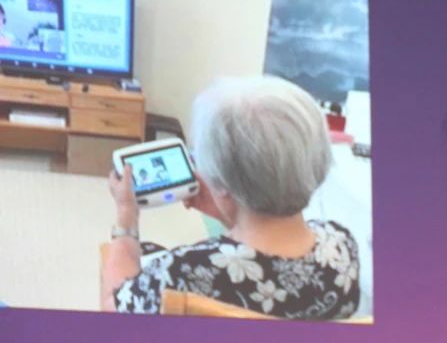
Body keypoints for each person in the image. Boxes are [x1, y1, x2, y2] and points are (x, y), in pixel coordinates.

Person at [100, 76, 360, 320]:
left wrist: (126, 216)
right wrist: (227, 211)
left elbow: (113, 307)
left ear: (222, 182)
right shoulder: (342, 247)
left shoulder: (180, 275)